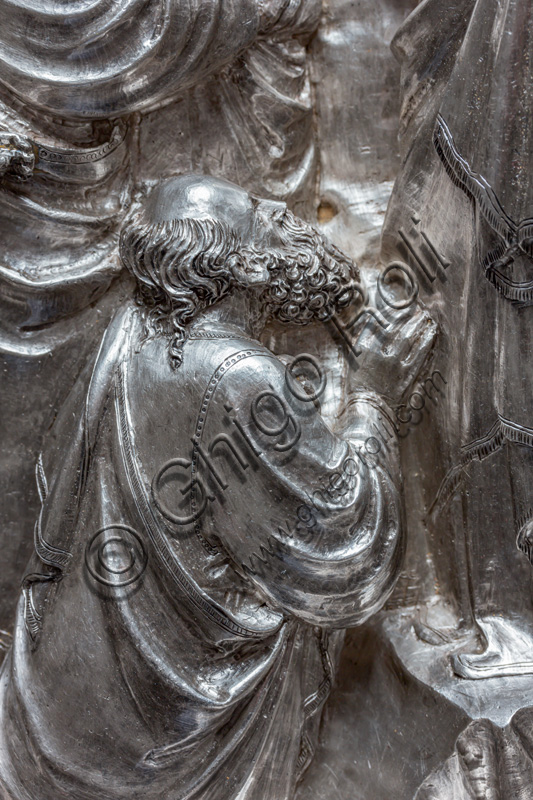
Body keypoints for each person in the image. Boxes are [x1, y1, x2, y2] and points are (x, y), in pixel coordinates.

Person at [0, 175, 432, 800]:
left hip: (53, 714)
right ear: (243, 263)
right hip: (161, 755)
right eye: (259, 211)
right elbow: (352, 554)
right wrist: (376, 398)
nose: (282, 209)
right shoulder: (237, 380)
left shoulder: (130, 333)